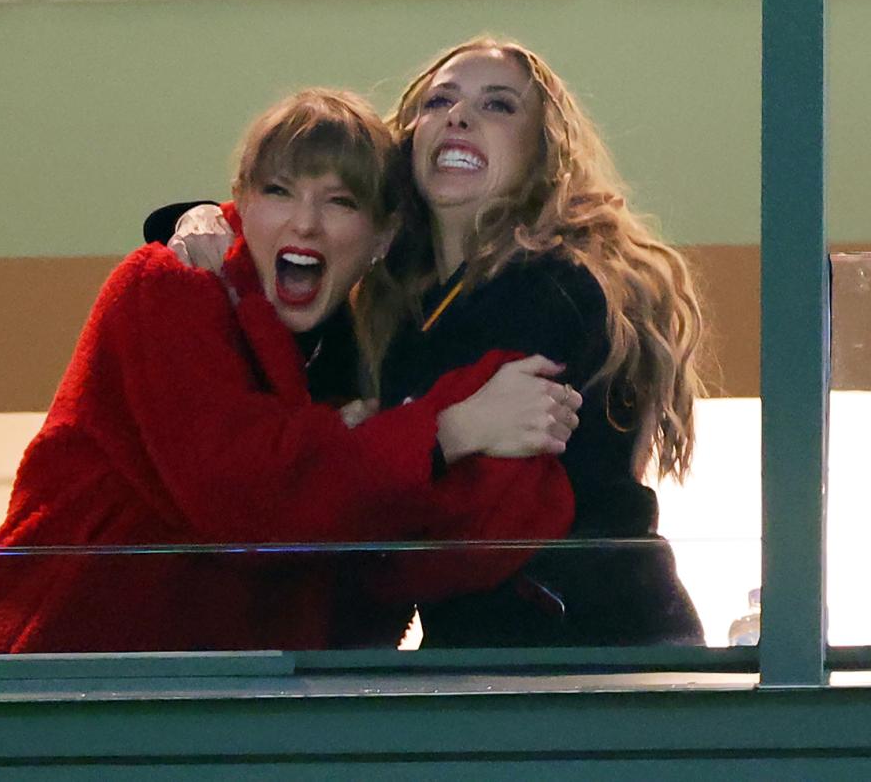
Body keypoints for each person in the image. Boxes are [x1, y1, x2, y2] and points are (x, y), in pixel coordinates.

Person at [0, 89, 579, 655]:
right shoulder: (168, 288)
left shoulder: (361, 361)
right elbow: (249, 492)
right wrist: (449, 431)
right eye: (278, 191)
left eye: (339, 200)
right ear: (239, 199)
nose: (305, 221)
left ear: (382, 236)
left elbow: (375, 549)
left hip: (226, 716)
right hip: (49, 693)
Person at [167, 39, 706, 647]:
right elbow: (290, 213)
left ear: (545, 152)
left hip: (600, 652)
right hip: (482, 663)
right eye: (439, 101)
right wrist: (201, 218)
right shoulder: (393, 308)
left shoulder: (566, 286)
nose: (459, 116)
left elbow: (473, 520)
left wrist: (371, 465)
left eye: (498, 105)